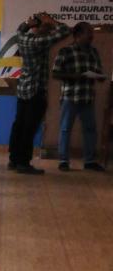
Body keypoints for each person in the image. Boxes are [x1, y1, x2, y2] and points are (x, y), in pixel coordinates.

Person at [8, 12, 71, 174]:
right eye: (47, 28)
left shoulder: (23, 37)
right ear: (41, 29)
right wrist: (52, 21)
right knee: (29, 128)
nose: (50, 31)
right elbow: (64, 31)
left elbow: (20, 29)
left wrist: (29, 23)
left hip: (23, 89)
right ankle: (23, 163)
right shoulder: (39, 42)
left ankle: (14, 160)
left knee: (19, 125)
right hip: (35, 91)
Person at [51, 22, 105, 172]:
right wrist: (74, 76)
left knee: (90, 129)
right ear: (78, 35)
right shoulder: (65, 51)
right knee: (65, 129)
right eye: (88, 33)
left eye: (91, 33)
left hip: (87, 96)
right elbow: (55, 73)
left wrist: (100, 77)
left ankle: (89, 161)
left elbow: (98, 71)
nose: (91, 37)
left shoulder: (94, 52)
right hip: (70, 96)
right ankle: (63, 160)